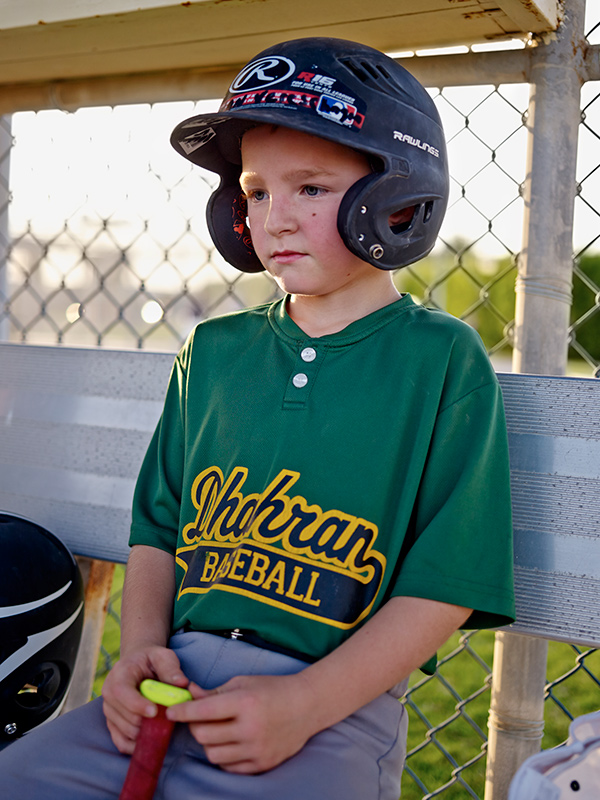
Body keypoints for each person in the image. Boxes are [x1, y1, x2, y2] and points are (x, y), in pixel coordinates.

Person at [0, 37, 515, 799]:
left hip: (330, 708)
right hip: (168, 688)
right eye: (256, 191)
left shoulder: (439, 360)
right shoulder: (212, 350)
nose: (273, 218)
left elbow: (448, 580)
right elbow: (159, 532)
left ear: (398, 197)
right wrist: (138, 654)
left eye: (310, 188)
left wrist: (306, 705)